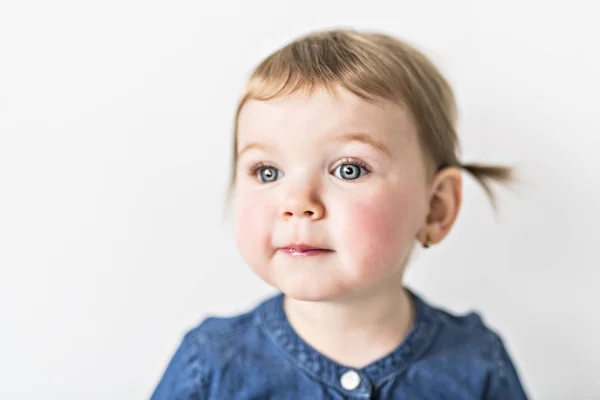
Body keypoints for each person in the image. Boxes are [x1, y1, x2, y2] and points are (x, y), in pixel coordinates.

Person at [150, 28, 528, 399]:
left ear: (435, 208)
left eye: (349, 169)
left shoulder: (477, 366)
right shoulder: (208, 368)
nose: (297, 202)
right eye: (267, 172)